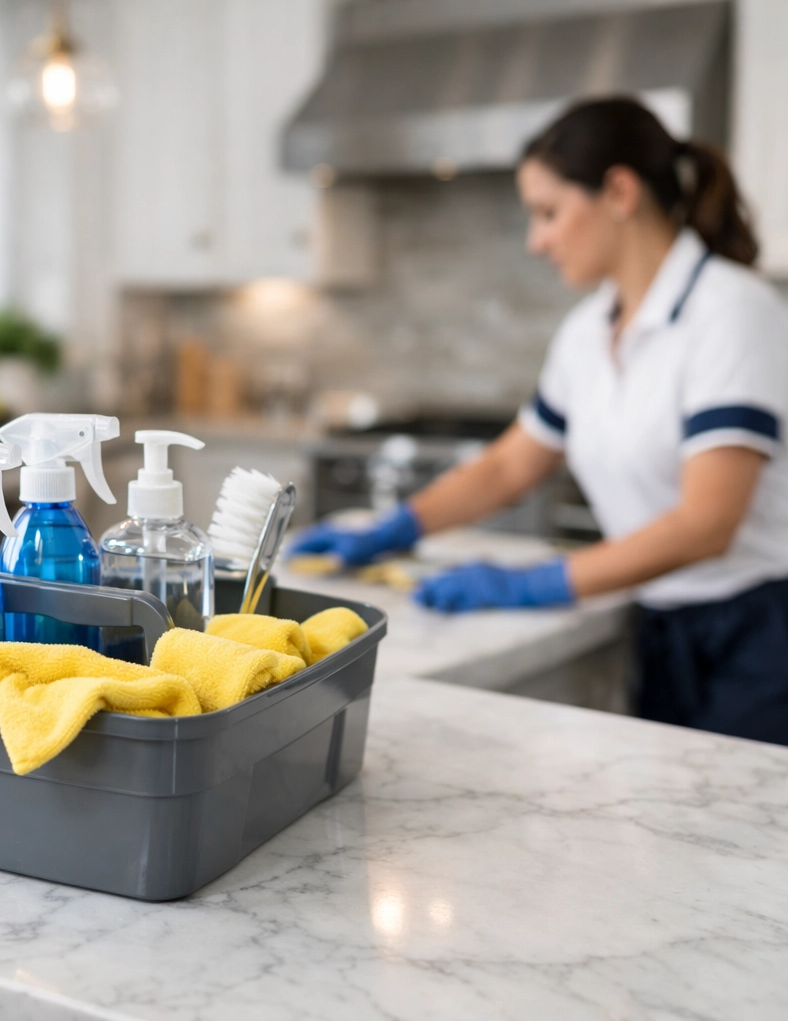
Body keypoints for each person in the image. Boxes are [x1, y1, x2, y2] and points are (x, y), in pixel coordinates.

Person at [291, 97, 788, 745]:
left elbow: (706, 525)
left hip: (760, 635)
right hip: (659, 627)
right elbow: (509, 465)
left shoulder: (732, 312)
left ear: (619, 192)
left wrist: (536, 583)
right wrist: (396, 527)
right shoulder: (588, 332)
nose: (537, 240)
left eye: (548, 212)